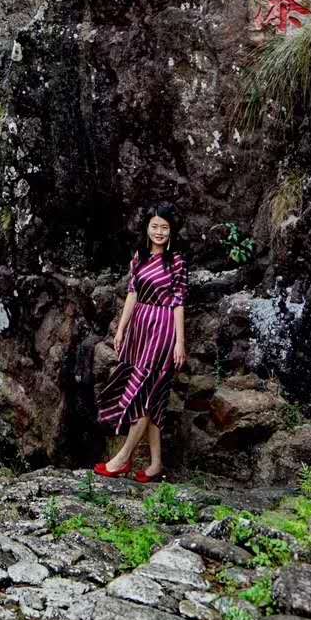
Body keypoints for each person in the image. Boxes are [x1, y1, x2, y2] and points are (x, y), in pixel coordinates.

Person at [94, 203, 188, 482]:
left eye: (165, 228)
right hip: (140, 328)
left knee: (144, 392)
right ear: (147, 227)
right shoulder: (139, 257)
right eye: (155, 226)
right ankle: (156, 464)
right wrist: (121, 329)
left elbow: (179, 303)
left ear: (171, 231)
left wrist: (180, 342)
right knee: (155, 396)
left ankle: (122, 458)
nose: (159, 232)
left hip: (163, 329)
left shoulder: (177, 261)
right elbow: (133, 293)